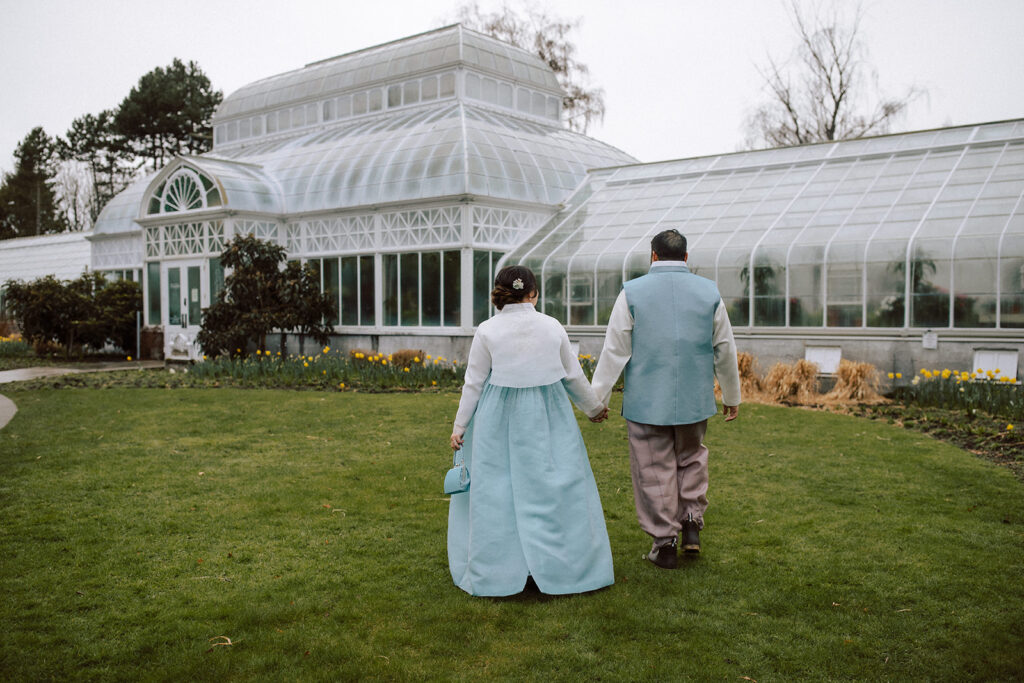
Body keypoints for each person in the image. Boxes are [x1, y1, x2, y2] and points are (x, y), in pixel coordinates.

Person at [447, 265, 614, 597]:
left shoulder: (487, 330)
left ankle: (502, 571)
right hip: (548, 414)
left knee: (499, 492)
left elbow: (474, 383)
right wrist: (594, 408)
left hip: (498, 418)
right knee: (554, 488)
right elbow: (572, 375)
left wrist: (460, 425)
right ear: (534, 293)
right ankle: (558, 567)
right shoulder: (551, 326)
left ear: (500, 293)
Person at [591, 229, 741, 570]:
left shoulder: (632, 292)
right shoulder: (709, 292)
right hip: (694, 398)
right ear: (686, 258)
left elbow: (615, 350)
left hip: (647, 402)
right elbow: (724, 347)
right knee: (691, 458)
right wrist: (731, 395)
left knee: (653, 469)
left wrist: (596, 400)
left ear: (653, 256)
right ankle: (690, 522)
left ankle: (665, 542)